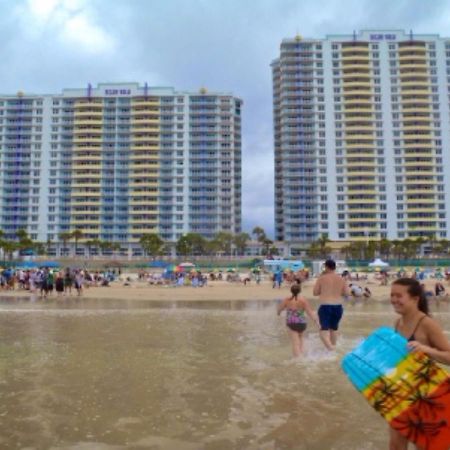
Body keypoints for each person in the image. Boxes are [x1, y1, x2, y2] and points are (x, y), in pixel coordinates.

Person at [389, 278, 450, 449]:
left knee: (423, 445)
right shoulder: (397, 323)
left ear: (415, 299)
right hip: (400, 392)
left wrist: (426, 349)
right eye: (392, 295)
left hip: (426, 395)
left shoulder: (427, 324)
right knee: (395, 445)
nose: (393, 299)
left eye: (399, 295)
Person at [313, 259, 350, 350]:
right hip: (338, 307)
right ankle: (333, 349)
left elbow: (315, 292)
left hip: (325, 306)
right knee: (333, 329)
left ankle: (331, 349)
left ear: (326, 267)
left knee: (323, 331)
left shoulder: (322, 278)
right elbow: (346, 293)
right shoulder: (341, 279)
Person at [277, 284, 320, 357]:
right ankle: (302, 356)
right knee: (301, 340)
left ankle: (298, 360)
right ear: (300, 291)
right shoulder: (303, 300)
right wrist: (316, 321)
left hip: (291, 323)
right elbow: (309, 312)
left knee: (295, 343)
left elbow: (280, 308)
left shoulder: (287, 299)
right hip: (302, 323)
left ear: (291, 291)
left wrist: (278, 313)